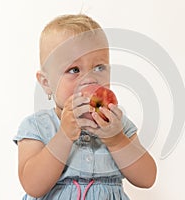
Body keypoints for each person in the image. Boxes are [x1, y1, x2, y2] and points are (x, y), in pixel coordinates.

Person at [13, 14, 157, 200]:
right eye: (74, 70)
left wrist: (116, 140)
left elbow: (147, 179)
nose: (90, 79)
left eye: (99, 68)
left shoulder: (117, 123)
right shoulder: (38, 126)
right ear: (46, 83)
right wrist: (64, 136)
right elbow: (33, 186)